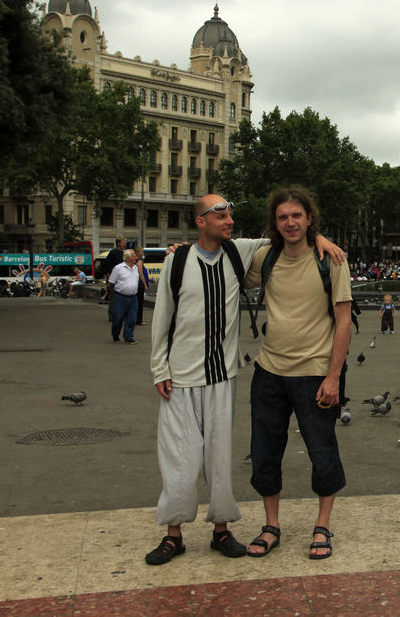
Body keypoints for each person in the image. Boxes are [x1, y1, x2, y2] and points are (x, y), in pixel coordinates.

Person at [145, 193, 342, 566]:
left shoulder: (238, 252)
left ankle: (221, 529)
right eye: (221, 215)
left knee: (220, 457)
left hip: (223, 374)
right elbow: (162, 318)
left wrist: (321, 240)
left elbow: (290, 234)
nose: (229, 221)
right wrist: (160, 368)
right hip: (180, 377)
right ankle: (174, 534)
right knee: (179, 458)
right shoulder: (178, 260)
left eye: (230, 215)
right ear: (201, 221)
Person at [244, 187, 352, 561]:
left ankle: (322, 525)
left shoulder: (332, 261)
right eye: (282, 217)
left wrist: (334, 376)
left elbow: (343, 323)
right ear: (274, 223)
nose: (290, 223)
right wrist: (184, 253)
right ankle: (271, 524)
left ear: (310, 218)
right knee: (263, 453)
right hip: (269, 371)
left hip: (315, 373)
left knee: (322, 452)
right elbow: (225, 255)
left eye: (297, 216)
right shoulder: (265, 258)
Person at [108, 249, 140, 344]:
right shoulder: (118, 268)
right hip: (120, 297)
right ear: (128, 257)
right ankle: (115, 335)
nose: (136, 258)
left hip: (133, 297)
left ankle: (129, 337)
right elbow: (111, 282)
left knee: (132, 318)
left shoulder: (135, 267)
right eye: (134, 256)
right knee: (118, 318)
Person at [100, 236, 127, 304]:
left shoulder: (124, 253)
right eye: (123, 243)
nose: (124, 244)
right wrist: (110, 272)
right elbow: (106, 264)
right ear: (118, 243)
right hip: (114, 276)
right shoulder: (113, 252)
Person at [135, 246, 150, 326]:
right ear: (137, 253)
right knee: (140, 303)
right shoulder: (139, 262)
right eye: (141, 252)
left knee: (135, 303)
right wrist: (145, 284)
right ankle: (139, 320)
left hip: (135, 284)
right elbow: (141, 274)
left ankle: (135, 318)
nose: (143, 253)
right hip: (140, 285)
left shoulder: (133, 261)